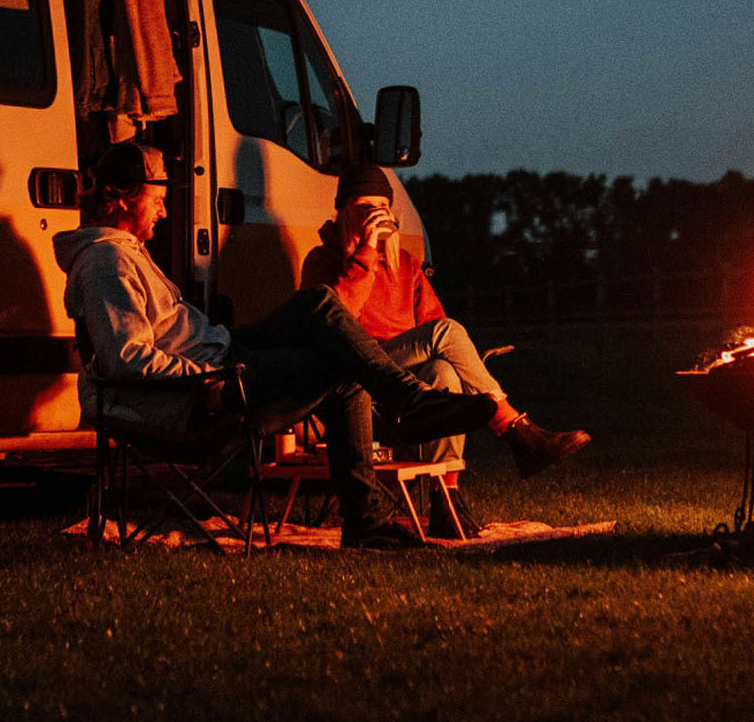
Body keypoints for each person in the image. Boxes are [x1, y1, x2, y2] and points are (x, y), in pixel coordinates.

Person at [55, 142, 499, 549]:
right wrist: (208, 377)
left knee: (318, 304)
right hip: (205, 385)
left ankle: (408, 406)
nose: (166, 210)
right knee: (341, 366)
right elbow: (126, 358)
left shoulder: (124, 251)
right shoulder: (106, 263)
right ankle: (374, 494)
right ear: (124, 198)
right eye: (157, 199)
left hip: (221, 353)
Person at [300, 164, 591, 538]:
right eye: (361, 207)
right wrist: (363, 255)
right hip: (356, 382)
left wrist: (380, 253)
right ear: (342, 213)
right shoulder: (322, 261)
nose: (372, 215)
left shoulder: (405, 264)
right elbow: (336, 328)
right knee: (446, 332)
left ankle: (445, 499)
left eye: (379, 208)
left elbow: (437, 332)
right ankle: (516, 429)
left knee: (444, 371)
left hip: (407, 395)